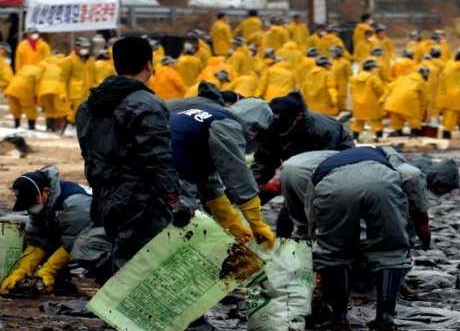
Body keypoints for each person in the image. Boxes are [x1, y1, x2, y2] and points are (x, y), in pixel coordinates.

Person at [75, 36, 192, 273]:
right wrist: (173, 199)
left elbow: (88, 152)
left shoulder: (89, 104)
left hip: (105, 193)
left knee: (121, 255)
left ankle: (115, 305)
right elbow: (157, 158)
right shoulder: (146, 103)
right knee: (145, 264)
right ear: (149, 64)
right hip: (141, 199)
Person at [306, 147, 415, 331]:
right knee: (389, 250)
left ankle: (338, 318)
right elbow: (410, 178)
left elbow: (311, 213)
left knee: (333, 253)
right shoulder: (386, 157)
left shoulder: (321, 166)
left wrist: (315, 240)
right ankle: (385, 317)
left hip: (333, 186)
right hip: (382, 182)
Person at [168, 88, 275, 248]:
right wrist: (257, 222)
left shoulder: (209, 115)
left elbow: (207, 180)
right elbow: (237, 175)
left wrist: (231, 223)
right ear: (255, 130)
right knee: (185, 230)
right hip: (168, 170)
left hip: (142, 160)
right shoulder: (227, 125)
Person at [0, 166, 92, 294]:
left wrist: (49, 270)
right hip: (73, 234)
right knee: (25, 227)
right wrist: (21, 271)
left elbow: (72, 242)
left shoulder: (75, 203)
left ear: (46, 191)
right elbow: (38, 239)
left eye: (32, 201)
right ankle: (61, 282)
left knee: (88, 241)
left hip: (106, 236)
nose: (30, 206)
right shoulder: (43, 202)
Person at [384, 66, 430, 136]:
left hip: (393, 101)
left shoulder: (402, 78)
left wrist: (384, 98)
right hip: (408, 102)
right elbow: (423, 98)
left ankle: (398, 131)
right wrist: (423, 110)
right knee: (414, 117)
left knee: (397, 116)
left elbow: (389, 87)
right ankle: (414, 132)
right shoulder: (421, 81)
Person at [350, 59, 387, 138]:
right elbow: (380, 90)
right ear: (371, 68)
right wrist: (382, 99)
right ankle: (379, 138)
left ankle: (354, 138)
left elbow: (351, 90)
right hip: (371, 103)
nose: (375, 69)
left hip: (357, 104)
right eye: (374, 68)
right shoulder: (373, 78)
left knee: (358, 122)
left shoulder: (354, 78)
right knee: (376, 122)